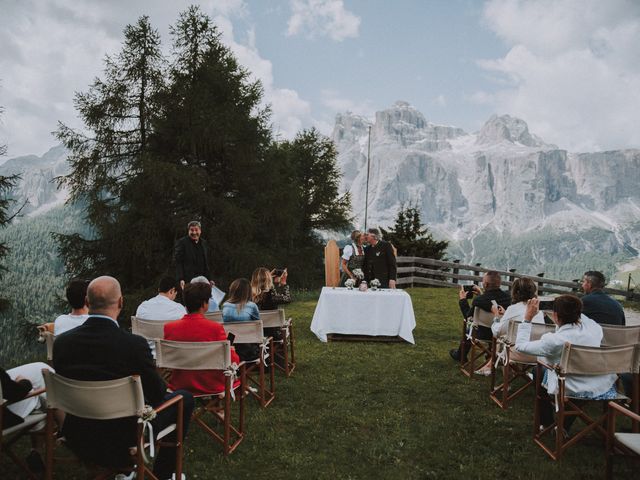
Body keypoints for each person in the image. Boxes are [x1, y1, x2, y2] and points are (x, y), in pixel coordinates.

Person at [53, 276, 193, 480]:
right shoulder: (133, 345)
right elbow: (156, 395)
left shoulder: (62, 344)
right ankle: (164, 473)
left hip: (78, 434)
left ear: (88, 303)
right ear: (120, 302)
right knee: (184, 398)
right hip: (124, 437)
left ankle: (121, 469)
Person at [515, 294, 618, 430]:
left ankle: (547, 423)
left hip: (569, 385)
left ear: (556, 316)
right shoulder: (594, 329)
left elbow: (520, 346)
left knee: (537, 370)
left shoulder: (554, 340)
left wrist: (527, 319)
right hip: (599, 384)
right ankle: (563, 426)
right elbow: (582, 319)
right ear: (578, 313)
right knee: (547, 371)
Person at [164, 282, 240, 394]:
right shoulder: (215, 328)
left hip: (180, 385)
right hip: (211, 385)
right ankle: (219, 408)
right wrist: (232, 350)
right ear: (205, 304)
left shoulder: (169, 328)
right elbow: (232, 361)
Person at [471, 277, 545, 375]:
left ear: (515, 292)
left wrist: (497, 316)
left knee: (502, 340)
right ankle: (517, 372)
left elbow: (497, 332)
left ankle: (503, 378)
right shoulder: (538, 311)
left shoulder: (513, 309)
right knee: (508, 337)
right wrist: (506, 314)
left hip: (517, 353)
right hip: (538, 354)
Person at [449, 271, 511, 362]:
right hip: (501, 333)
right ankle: (491, 355)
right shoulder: (508, 298)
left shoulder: (479, 301)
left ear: (485, 284)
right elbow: (492, 302)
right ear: (499, 283)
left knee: (469, 326)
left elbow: (468, 317)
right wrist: (481, 294)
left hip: (482, 333)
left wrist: (463, 300)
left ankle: (461, 355)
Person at [135, 276, 187, 355]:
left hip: (146, 355)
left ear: (159, 290)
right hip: (171, 357)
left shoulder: (143, 307)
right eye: (175, 294)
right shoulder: (179, 309)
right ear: (172, 291)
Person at [222, 278, 261, 362]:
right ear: (248, 292)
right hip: (249, 350)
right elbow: (258, 327)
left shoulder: (225, 306)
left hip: (231, 349)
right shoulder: (252, 306)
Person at [174, 220, 210, 290]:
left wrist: (209, 279)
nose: (194, 232)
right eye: (191, 230)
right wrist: (181, 278)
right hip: (188, 281)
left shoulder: (204, 243)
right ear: (188, 231)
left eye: (196, 230)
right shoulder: (182, 243)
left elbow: (206, 263)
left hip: (202, 281)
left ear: (200, 231)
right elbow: (178, 262)